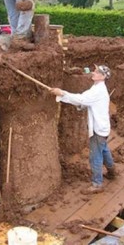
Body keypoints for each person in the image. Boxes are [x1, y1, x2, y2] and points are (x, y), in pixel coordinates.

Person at [50, 65, 117, 194]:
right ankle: (112, 171)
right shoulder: (96, 88)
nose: (93, 72)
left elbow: (82, 99)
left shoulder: (99, 90)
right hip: (103, 127)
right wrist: (65, 96)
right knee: (103, 149)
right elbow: (84, 99)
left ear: (103, 76)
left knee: (95, 156)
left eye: (97, 72)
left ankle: (97, 184)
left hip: (98, 128)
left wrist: (62, 93)